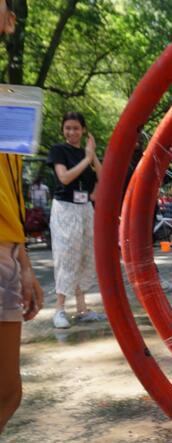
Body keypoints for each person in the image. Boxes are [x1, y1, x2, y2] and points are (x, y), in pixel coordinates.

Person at [1, 152, 44, 433]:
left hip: (7, 252)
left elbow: (12, 189)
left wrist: (23, 261)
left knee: (8, 395)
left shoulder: (12, 114)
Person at [47, 111, 102, 329]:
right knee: (66, 255)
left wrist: (92, 155)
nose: (72, 132)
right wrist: (87, 159)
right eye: (68, 128)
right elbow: (64, 177)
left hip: (85, 208)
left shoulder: (87, 153)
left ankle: (82, 308)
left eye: (76, 128)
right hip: (65, 208)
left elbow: (104, 176)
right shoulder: (58, 151)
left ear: (83, 130)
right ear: (63, 129)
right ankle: (59, 308)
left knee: (85, 256)